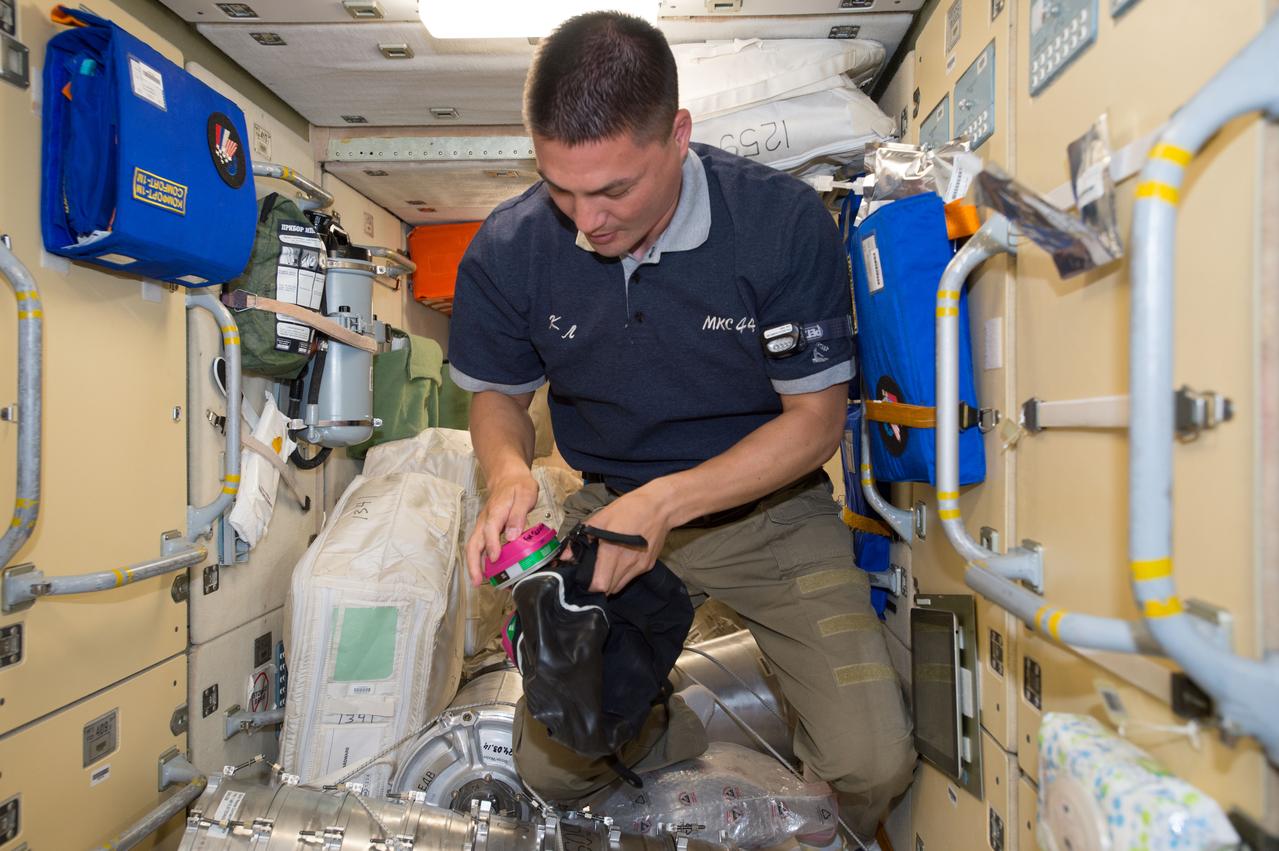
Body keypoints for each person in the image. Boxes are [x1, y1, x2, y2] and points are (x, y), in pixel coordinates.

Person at [447, 11, 915, 846]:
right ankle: (662, 724)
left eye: (614, 189)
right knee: (556, 766)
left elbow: (814, 423)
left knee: (870, 765)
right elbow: (497, 397)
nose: (587, 221)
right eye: (562, 189)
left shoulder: (780, 224)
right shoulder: (509, 247)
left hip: (765, 512)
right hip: (608, 514)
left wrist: (668, 502)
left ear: (678, 136)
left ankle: (764, 689)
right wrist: (510, 472)